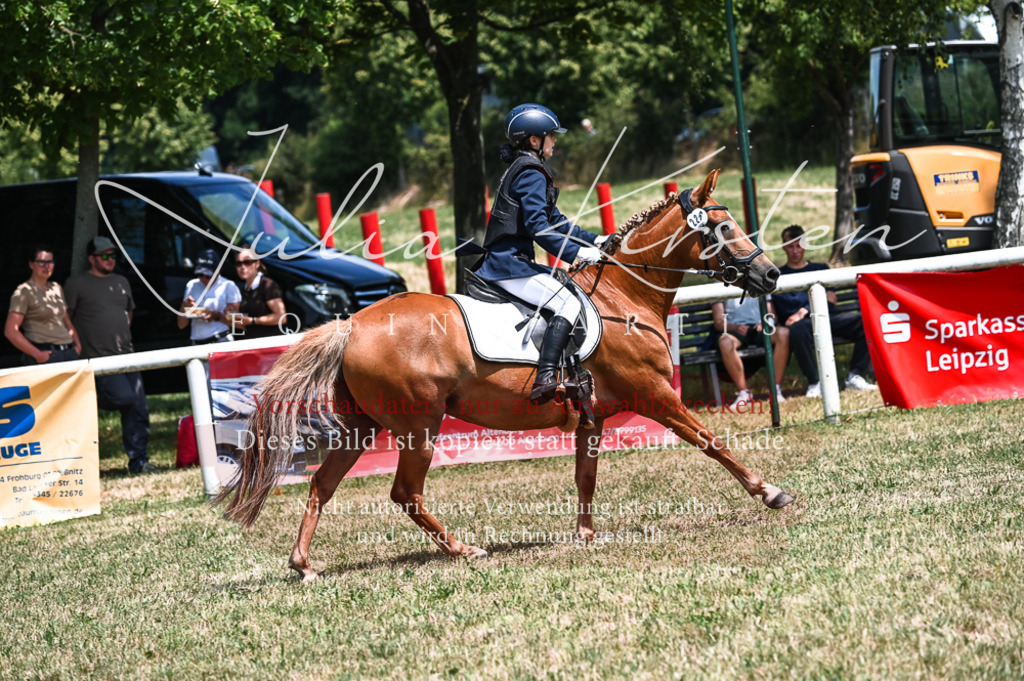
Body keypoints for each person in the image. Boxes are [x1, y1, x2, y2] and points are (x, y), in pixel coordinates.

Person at [475, 103, 609, 402]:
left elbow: (556, 221)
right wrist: (576, 253)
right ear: (534, 140)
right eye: (551, 135)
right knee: (567, 305)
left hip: (512, 261)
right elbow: (538, 227)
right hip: (508, 265)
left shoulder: (528, 169)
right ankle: (545, 378)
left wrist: (595, 240)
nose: (555, 140)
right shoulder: (530, 172)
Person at [65, 237, 154, 475]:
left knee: (139, 408)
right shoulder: (77, 283)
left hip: (127, 354)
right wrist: (76, 342)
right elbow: (66, 317)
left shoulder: (121, 281)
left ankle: (139, 461)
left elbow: (128, 312)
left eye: (113, 255)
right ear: (91, 258)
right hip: (98, 357)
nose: (110, 259)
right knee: (122, 397)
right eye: (104, 256)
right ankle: (94, 397)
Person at [773, 224, 877, 397]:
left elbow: (831, 298)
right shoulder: (779, 275)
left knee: (865, 321)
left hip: (826, 317)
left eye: (798, 245)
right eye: (790, 246)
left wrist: (803, 311)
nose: (795, 251)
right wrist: (799, 317)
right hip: (800, 326)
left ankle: (855, 375)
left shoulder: (820, 269)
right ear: (784, 247)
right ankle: (815, 382)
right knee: (797, 332)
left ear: (805, 245)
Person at [4, 244, 80, 365]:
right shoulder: (24, 292)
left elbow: (66, 322)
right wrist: (37, 354)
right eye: (41, 262)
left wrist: (77, 345)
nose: (46, 266)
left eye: (50, 262)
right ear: (31, 264)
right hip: (46, 355)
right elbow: (10, 331)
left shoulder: (56, 288)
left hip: (69, 353)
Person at [712, 295, 789, 408]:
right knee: (725, 342)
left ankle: (775, 390)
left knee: (783, 333)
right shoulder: (719, 284)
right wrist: (735, 327)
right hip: (735, 330)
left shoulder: (760, 279)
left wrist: (765, 322)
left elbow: (772, 315)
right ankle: (744, 393)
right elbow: (719, 323)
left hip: (761, 329)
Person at [177, 249, 241, 344]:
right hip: (196, 343)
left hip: (220, 341)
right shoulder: (192, 285)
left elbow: (237, 323)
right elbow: (181, 325)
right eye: (200, 274)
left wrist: (216, 315)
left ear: (218, 270)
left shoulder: (228, 286)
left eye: (208, 275)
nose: (203, 278)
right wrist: (185, 307)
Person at [231, 248, 286, 338]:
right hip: (251, 343)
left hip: (268, 344)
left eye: (247, 262)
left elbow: (281, 318)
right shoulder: (243, 289)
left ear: (257, 263)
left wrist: (252, 321)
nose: (243, 267)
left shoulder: (267, 285)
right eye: (238, 263)